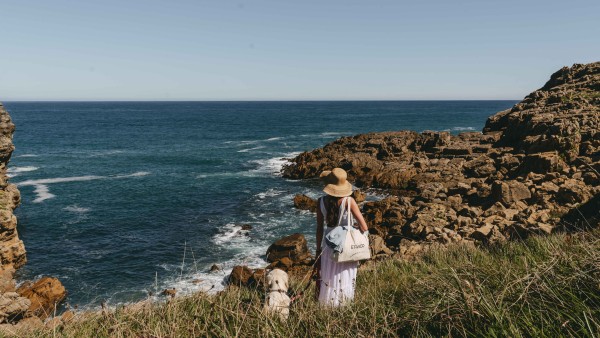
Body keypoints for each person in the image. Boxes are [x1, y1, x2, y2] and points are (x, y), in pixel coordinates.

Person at [315, 167, 368, 306]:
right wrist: (354, 228)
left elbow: (319, 228)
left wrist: (317, 249)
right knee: (345, 277)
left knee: (328, 278)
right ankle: (344, 306)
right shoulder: (349, 201)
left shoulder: (320, 201)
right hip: (346, 245)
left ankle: (327, 306)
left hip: (328, 245)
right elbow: (364, 226)